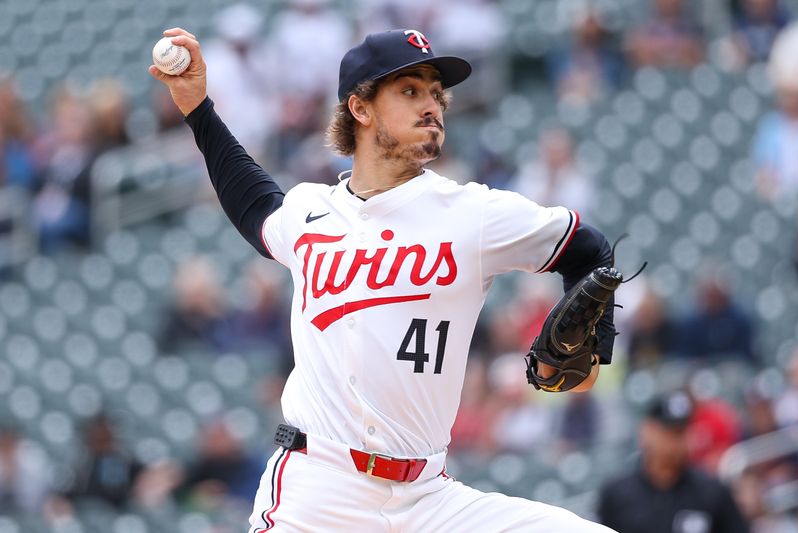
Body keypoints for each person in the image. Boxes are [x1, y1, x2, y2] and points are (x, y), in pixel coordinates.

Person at [151, 26, 618, 532]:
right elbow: (254, 201)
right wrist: (198, 109)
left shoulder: (474, 213)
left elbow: (591, 252)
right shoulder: (311, 210)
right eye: (410, 90)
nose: (432, 105)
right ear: (361, 108)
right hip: (316, 492)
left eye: (437, 93)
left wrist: (595, 350)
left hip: (428, 499)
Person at [597, 392, 750, 533]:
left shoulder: (712, 491)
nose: (676, 442)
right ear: (647, 431)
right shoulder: (617, 494)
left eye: (682, 432)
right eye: (669, 432)